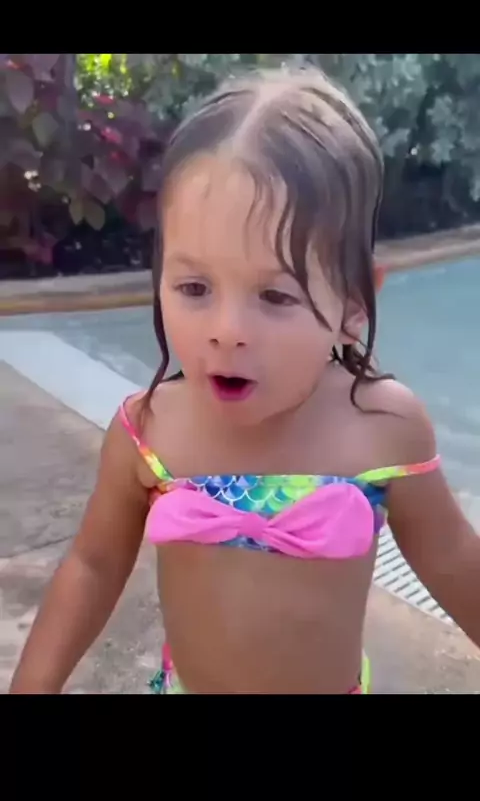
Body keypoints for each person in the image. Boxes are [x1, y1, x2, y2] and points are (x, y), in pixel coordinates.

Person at [10, 66, 480, 695]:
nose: (227, 331)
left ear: (353, 305)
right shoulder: (149, 431)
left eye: (275, 296)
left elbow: (453, 561)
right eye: (194, 288)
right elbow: (93, 566)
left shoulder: (383, 428)